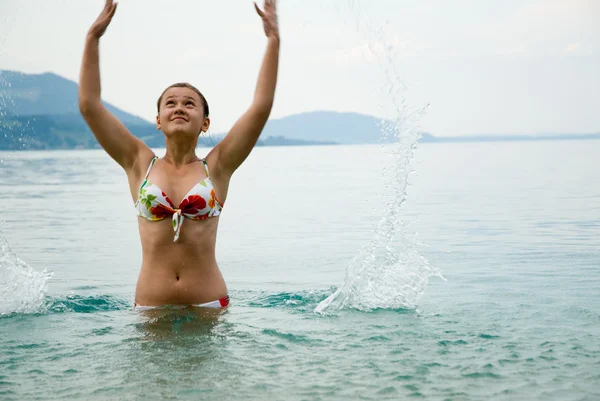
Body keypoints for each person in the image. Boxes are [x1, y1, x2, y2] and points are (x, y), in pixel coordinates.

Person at [78, 0, 280, 310]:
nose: (179, 107)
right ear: (158, 120)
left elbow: (261, 107)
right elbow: (90, 106)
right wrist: (92, 38)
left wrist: (273, 40)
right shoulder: (138, 163)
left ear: (205, 122)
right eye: (170, 103)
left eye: (189, 103)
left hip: (209, 305)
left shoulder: (219, 166)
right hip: (150, 307)